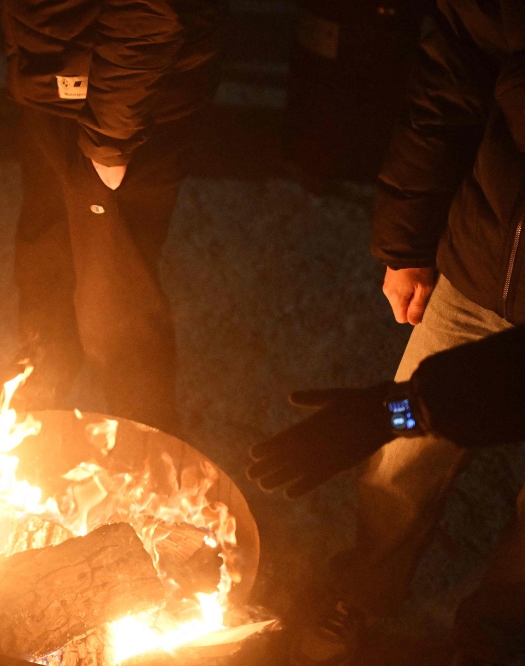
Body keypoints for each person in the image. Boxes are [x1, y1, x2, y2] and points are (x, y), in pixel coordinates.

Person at [278, 2, 525, 664]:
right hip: (487, 255)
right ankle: (363, 589)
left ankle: (491, 639)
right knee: (401, 466)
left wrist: (411, 405)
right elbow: (447, 84)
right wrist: (407, 239)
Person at [3, 0, 226, 436]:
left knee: (121, 313)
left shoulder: (113, 126)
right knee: (45, 273)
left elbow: (145, 13)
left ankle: (149, 464)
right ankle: (29, 429)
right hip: (60, 96)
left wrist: (111, 138)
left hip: (121, 110)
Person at [247, 325, 525, 665]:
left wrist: (402, 409)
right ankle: (363, 595)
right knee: (398, 471)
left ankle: (485, 650)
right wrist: (407, 267)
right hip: (478, 287)